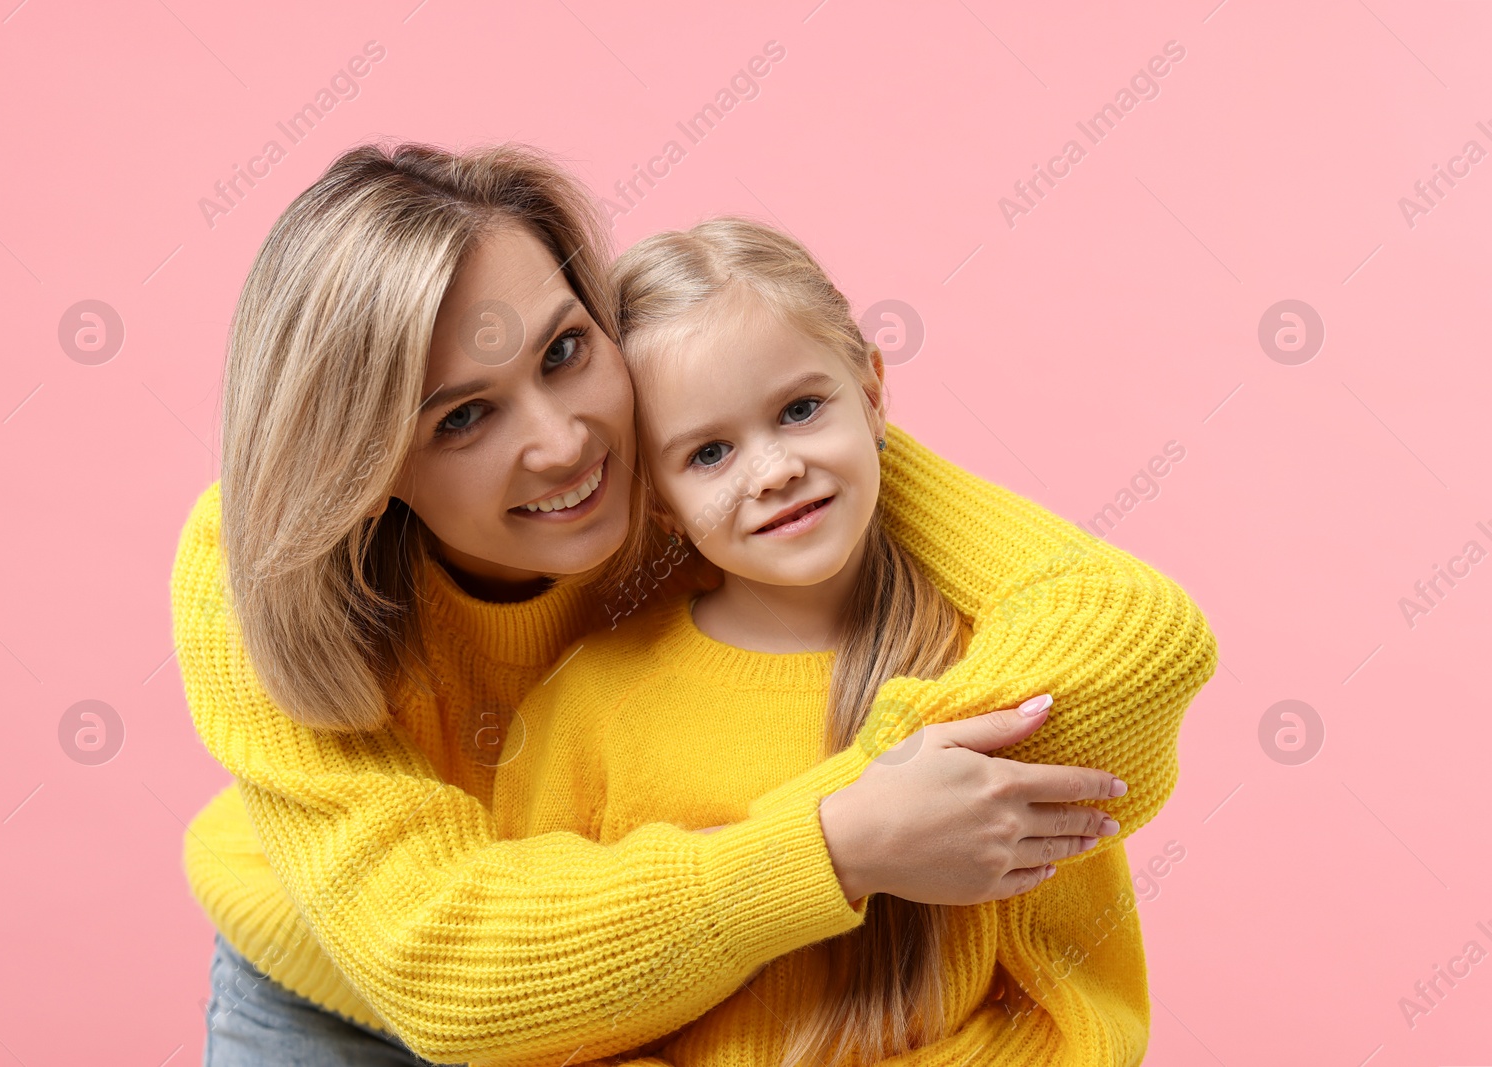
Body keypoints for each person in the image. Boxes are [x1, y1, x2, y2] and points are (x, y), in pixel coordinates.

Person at [176, 141, 1218, 1065]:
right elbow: (442, 964)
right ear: (366, 467)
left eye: (564, 350)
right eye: (463, 418)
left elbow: (1122, 628)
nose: (566, 441)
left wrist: (871, 815)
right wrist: (841, 837)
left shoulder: (711, 456)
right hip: (330, 1003)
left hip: (673, 997)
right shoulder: (258, 562)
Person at [491, 217, 1190, 1067]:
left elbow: (1077, 1000)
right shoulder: (587, 708)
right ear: (660, 499)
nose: (773, 468)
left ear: (872, 388)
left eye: (800, 409)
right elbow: (544, 1032)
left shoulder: (987, 670)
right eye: (709, 452)